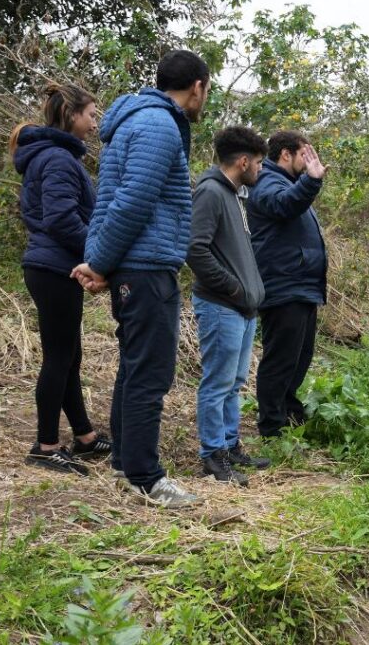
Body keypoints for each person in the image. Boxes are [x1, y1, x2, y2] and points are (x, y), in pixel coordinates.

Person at [73, 49, 211, 508]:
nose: (204, 99)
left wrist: (102, 262)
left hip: (136, 264)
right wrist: (100, 263)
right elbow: (132, 202)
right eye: (206, 91)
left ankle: (124, 466)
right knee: (150, 374)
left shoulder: (137, 121)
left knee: (135, 369)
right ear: (197, 86)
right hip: (148, 267)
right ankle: (146, 477)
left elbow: (112, 199)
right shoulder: (158, 125)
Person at [11, 84, 112, 475]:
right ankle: (46, 445)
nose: (94, 124)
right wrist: (99, 253)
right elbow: (61, 219)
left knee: (69, 356)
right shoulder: (57, 158)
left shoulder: (56, 156)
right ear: (71, 115)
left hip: (54, 267)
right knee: (58, 358)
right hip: (53, 268)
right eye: (91, 115)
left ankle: (84, 437)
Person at [186, 127, 271, 485]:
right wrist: (234, 288)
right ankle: (213, 455)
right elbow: (195, 249)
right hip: (221, 305)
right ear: (244, 161)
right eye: (260, 163)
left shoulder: (235, 195)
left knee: (233, 382)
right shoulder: (210, 192)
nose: (262, 169)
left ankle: (230, 445)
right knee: (218, 382)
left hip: (242, 308)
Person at [245, 131, 328, 438]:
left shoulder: (290, 183)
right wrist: (311, 181)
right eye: (304, 155)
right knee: (280, 359)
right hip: (283, 285)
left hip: (302, 285)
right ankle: (271, 425)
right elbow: (283, 205)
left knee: (299, 357)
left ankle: (289, 411)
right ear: (285, 154)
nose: (309, 161)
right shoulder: (269, 181)